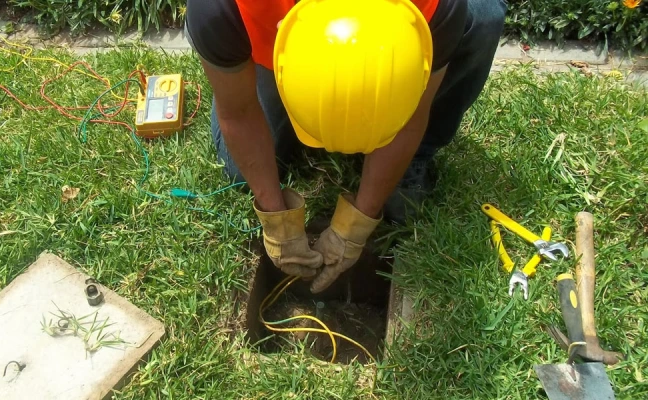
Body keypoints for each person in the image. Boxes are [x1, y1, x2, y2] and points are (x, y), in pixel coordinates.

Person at [184, 0, 507, 293]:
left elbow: (411, 117)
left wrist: (358, 222)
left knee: (482, 16)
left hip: (406, 41)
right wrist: (275, 217)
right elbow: (239, 114)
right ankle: (277, 90)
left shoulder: (434, 7)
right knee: (241, 170)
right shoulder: (221, 8)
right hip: (265, 47)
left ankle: (415, 156)